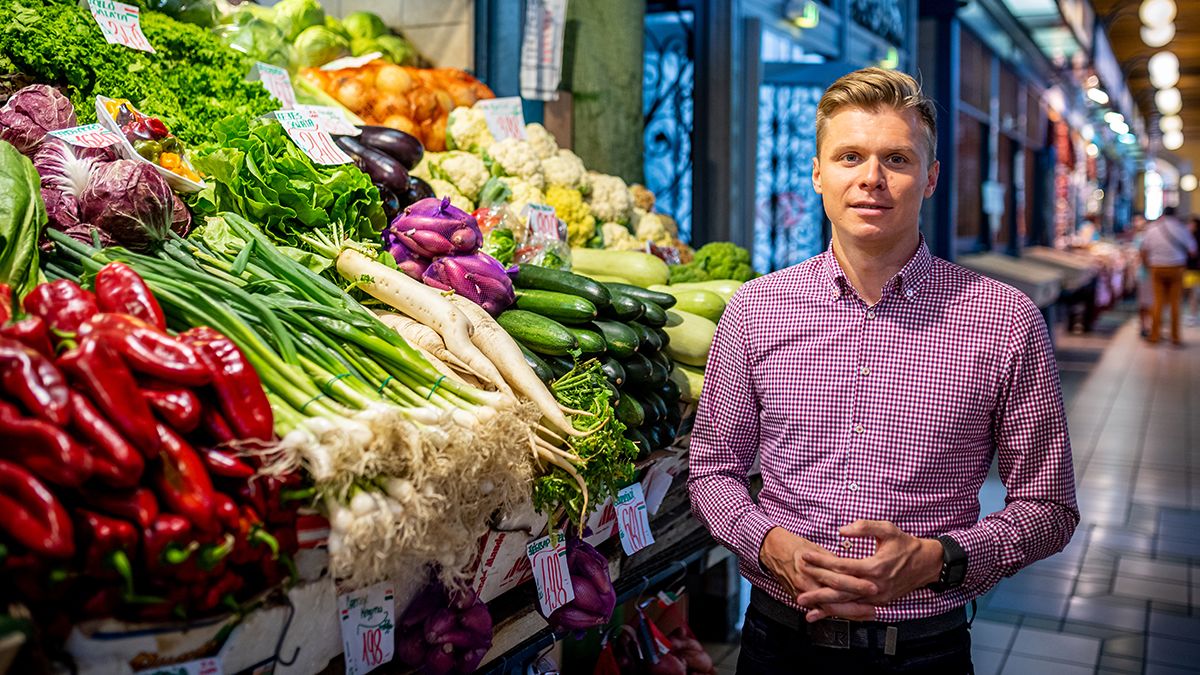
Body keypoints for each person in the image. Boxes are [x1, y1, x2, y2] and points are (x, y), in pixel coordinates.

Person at [687, 68, 1079, 674]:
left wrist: (937, 558)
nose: (871, 179)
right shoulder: (756, 309)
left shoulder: (1005, 320)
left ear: (930, 178)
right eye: (849, 156)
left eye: (896, 158)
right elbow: (714, 472)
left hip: (923, 652)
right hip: (778, 644)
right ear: (818, 173)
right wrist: (769, 543)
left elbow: (1048, 506)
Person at [1140, 205, 1198, 345]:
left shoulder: (1152, 228)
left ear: (1163, 214)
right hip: (1176, 268)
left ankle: (1154, 335)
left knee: (1158, 301)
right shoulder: (1182, 229)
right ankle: (1175, 337)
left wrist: (1148, 266)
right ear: (1175, 214)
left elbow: (1144, 250)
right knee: (1175, 303)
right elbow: (1193, 250)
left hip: (1156, 267)